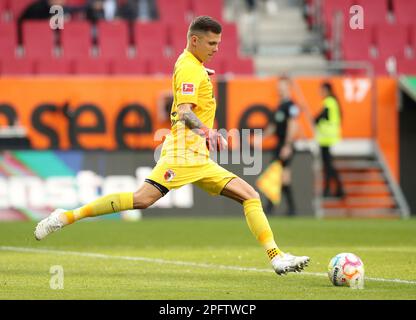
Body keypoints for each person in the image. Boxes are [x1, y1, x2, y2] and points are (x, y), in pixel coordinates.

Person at [34, 16, 309, 276]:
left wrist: (200, 73)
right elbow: (185, 111)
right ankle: (66, 216)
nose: (216, 49)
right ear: (194, 41)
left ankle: (276, 257)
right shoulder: (190, 67)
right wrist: (207, 132)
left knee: (250, 196)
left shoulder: (191, 64)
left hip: (198, 157)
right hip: (184, 153)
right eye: (211, 43)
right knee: (142, 199)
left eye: (219, 44)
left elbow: (189, 82)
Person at [263, 77, 299, 216]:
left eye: (282, 86)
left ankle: (276, 207)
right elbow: (273, 126)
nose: (279, 89)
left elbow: (293, 125)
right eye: (279, 86)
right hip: (280, 144)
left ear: (288, 88)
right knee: (278, 176)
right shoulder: (279, 105)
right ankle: (288, 208)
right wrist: (262, 137)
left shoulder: (290, 105)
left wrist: (288, 145)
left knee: (280, 176)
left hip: (285, 144)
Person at [314, 81, 345, 198]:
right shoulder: (333, 102)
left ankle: (331, 189)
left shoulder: (329, 102)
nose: (320, 92)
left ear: (326, 90)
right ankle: (335, 189)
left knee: (328, 165)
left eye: (321, 90)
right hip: (329, 137)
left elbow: (322, 115)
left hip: (326, 138)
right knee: (328, 165)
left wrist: (315, 119)